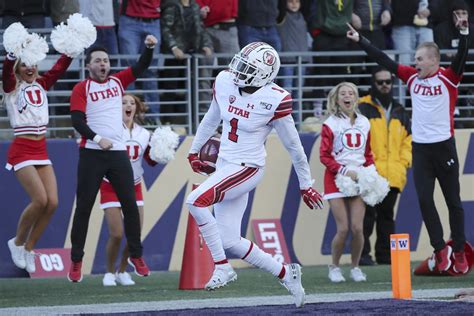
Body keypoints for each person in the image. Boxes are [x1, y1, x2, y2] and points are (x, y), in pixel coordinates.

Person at [186, 42, 323, 308]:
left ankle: (222, 267)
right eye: (240, 63)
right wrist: (193, 151)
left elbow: (294, 146)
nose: (237, 70)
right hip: (226, 163)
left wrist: (306, 184)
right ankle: (286, 273)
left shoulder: (274, 98)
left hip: (248, 167)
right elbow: (211, 118)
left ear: (264, 74)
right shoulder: (225, 80)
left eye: (247, 68)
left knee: (195, 201)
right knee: (230, 241)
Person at [347, 11, 470, 274]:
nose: (414, 63)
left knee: (453, 201)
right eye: (414, 59)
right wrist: (360, 40)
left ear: (434, 61)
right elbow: (383, 59)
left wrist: (463, 33)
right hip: (421, 149)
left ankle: (459, 250)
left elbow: (461, 57)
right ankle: (440, 250)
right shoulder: (411, 78)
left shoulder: (449, 77)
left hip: (444, 146)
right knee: (425, 200)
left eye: (420, 59)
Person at [68, 35, 157, 283]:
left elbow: (141, 66)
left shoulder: (117, 82)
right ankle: (76, 260)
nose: (103, 64)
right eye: (97, 61)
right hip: (92, 152)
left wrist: (148, 48)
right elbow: (77, 121)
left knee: (130, 204)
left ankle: (136, 256)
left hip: (117, 152)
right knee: (83, 207)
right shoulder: (81, 88)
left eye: (106, 60)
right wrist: (97, 138)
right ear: (89, 66)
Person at [3, 46, 73, 274]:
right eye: (24, 64)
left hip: (41, 147)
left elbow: (59, 69)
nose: (30, 68)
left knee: (52, 202)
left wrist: (70, 51)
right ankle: (17, 242)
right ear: (17, 68)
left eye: (32, 64)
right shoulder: (11, 87)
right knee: (40, 199)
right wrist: (11, 54)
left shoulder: (42, 84)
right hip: (22, 148)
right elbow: (5, 72)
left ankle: (29, 248)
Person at [100, 94, 157, 287]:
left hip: (134, 186)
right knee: (116, 233)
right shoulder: (110, 131)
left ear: (137, 108)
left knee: (135, 234)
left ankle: (122, 270)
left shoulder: (144, 134)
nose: (128, 106)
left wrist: (161, 151)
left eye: (132, 103)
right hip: (111, 185)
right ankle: (108, 272)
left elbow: (150, 160)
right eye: (123, 102)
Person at [319, 82, 374, 283]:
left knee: (358, 228)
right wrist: (343, 171)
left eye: (351, 93)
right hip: (335, 178)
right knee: (342, 229)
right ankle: (334, 267)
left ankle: (355, 267)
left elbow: (368, 154)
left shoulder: (365, 123)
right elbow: (324, 156)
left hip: (358, 178)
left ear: (356, 98)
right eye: (343, 93)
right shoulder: (330, 124)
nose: (347, 96)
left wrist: (370, 173)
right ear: (337, 98)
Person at [358, 67, 412, 266]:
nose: (384, 86)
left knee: (386, 216)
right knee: (367, 216)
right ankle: (363, 255)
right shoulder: (362, 108)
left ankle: (385, 255)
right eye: (380, 82)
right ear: (373, 84)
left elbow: (409, 140)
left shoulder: (399, 109)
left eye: (388, 82)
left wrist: (403, 163)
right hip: (371, 172)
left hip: (393, 174)